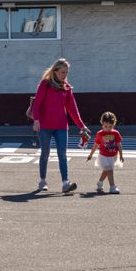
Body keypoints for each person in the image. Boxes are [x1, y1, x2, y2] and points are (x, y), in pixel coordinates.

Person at [28, 57, 89, 195]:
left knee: (62, 154)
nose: (64, 75)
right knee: (45, 153)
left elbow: (72, 109)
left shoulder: (66, 87)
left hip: (61, 126)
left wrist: (82, 126)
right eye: (62, 72)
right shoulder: (45, 84)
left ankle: (65, 183)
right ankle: (42, 181)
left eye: (66, 72)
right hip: (45, 126)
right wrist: (36, 120)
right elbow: (37, 104)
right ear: (55, 71)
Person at [85, 111, 125, 194]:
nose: (107, 129)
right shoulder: (100, 134)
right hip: (103, 156)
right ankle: (112, 187)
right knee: (110, 170)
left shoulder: (116, 133)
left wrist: (121, 155)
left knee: (106, 171)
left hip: (113, 156)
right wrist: (90, 155)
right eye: (105, 126)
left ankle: (100, 182)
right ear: (102, 123)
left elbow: (119, 145)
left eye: (110, 126)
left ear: (113, 124)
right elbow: (95, 145)